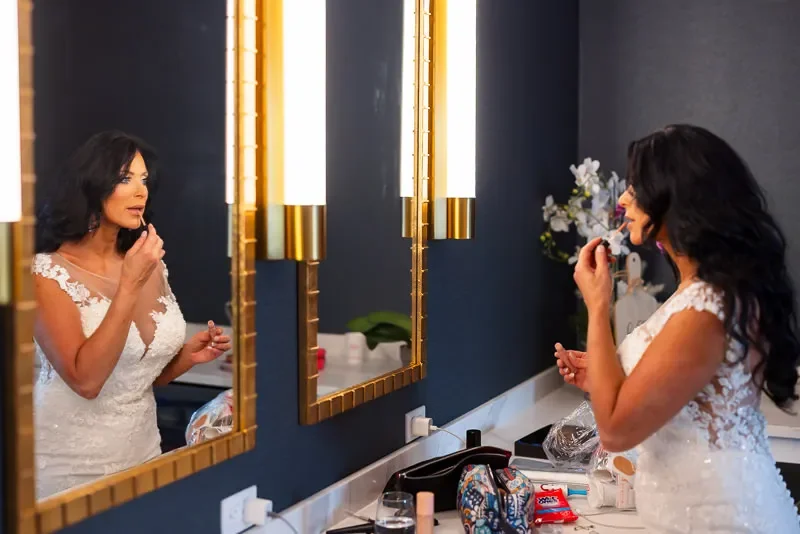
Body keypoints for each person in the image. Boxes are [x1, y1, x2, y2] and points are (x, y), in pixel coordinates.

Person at [555, 124, 800, 532]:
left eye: (636, 187)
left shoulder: (705, 310)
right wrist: (607, 377)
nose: (624, 200)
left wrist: (598, 306)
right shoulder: (704, 292)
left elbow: (615, 432)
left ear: (673, 200)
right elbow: (683, 395)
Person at [32, 131, 232, 499]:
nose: (141, 191)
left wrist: (187, 356)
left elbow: (135, 381)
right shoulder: (46, 273)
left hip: (141, 453)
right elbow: (88, 382)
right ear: (91, 185)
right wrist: (128, 285)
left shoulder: (148, 265)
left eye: (144, 180)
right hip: (68, 466)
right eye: (126, 179)